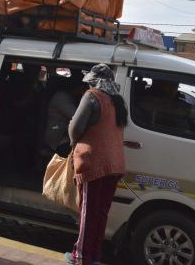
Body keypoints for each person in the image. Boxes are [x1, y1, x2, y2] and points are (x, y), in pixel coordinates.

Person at [64, 64, 128, 265]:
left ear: (94, 81)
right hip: (115, 164)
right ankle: (94, 257)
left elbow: (75, 128)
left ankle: (80, 256)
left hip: (94, 164)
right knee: (100, 213)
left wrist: (74, 143)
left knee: (87, 212)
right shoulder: (118, 101)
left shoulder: (92, 96)